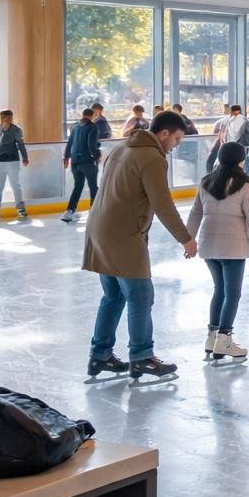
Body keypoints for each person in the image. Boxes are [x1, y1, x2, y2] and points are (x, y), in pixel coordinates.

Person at [83, 110, 197, 384]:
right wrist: (186, 237)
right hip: (123, 235)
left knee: (113, 296)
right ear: (164, 134)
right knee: (141, 296)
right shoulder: (151, 157)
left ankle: (100, 355)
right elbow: (162, 203)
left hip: (99, 228)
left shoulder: (122, 147)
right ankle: (142, 357)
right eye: (177, 139)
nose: (176, 146)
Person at [187, 142, 249, 363]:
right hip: (232, 249)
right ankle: (224, 340)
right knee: (232, 293)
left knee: (219, 291)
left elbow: (195, 214)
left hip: (208, 246)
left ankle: (212, 337)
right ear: (241, 161)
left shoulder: (206, 183)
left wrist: (188, 241)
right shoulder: (243, 186)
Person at [0, 109, 30, 223]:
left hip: (13, 161)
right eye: (4, 118)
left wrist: (25, 158)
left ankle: (20, 208)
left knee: (15, 185)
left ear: (11, 118)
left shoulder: (17, 130)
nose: (6, 120)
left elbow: (21, 145)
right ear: (0, 118)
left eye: (8, 118)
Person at [62, 107, 102, 223]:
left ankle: (69, 211)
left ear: (83, 115)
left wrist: (66, 157)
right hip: (88, 161)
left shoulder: (75, 127)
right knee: (93, 186)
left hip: (75, 161)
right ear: (92, 116)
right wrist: (96, 156)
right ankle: (94, 211)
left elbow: (70, 143)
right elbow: (91, 144)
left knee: (78, 187)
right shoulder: (93, 127)